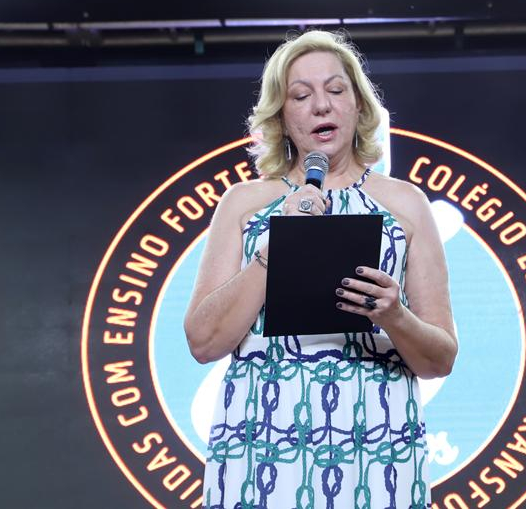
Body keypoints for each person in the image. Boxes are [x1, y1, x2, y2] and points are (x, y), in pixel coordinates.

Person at [184, 30, 456, 509]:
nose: (321, 106)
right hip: (261, 448)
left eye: (335, 90)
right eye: (301, 95)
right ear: (280, 117)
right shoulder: (244, 204)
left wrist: (394, 315)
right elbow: (204, 342)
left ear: (358, 105)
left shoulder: (406, 204)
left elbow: (440, 359)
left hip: (379, 449)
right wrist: (275, 248)